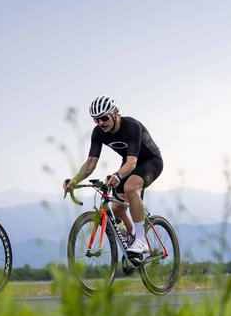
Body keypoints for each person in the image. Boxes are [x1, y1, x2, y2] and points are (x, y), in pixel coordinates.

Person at [63, 95, 163, 254]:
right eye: (96, 120)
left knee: (131, 187)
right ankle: (133, 236)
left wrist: (117, 175)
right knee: (117, 207)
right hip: (129, 164)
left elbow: (132, 163)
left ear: (115, 112)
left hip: (151, 161)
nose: (101, 123)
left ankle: (142, 241)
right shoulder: (98, 133)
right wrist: (75, 180)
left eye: (104, 117)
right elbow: (90, 163)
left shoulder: (131, 126)